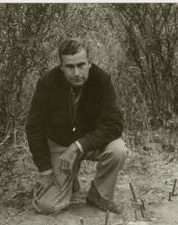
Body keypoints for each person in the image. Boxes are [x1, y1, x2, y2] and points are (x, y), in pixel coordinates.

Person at [26, 37, 127, 214]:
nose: (77, 73)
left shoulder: (101, 80)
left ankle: (99, 195)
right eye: (70, 67)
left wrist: (79, 146)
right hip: (60, 146)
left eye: (81, 65)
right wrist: (46, 171)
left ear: (89, 63)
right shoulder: (47, 83)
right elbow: (34, 128)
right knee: (47, 206)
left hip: (89, 144)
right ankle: (69, 179)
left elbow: (114, 124)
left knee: (118, 150)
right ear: (61, 67)